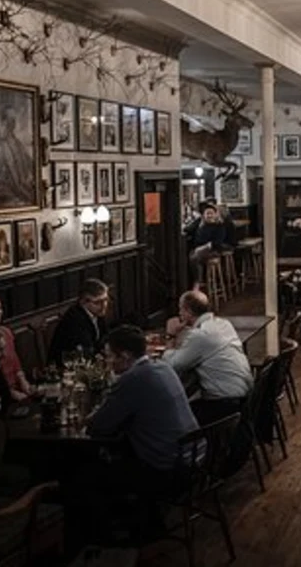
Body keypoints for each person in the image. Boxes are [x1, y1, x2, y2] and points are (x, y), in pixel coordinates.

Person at [85, 325, 199, 481]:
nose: (107, 362)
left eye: (109, 356)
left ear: (125, 356)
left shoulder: (133, 379)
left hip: (170, 467)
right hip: (195, 455)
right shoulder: (163, 367)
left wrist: (93, 414)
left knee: (92, 469)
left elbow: (97, 427)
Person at [163, 290, 254, 425]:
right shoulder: (223, 324)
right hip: (245, 399)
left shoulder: (201, 335)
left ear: (188, 311)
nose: (179, 313)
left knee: (172, 417)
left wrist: (170, 335)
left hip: (225, 405)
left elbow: (171, 366)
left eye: (180, 309)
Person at [48, 278, 110, 366]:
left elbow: (105, 338)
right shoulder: (74, 320)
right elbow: (85, 350)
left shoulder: (98, 312)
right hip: (65, 367)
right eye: (98, 302)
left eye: (106, 300)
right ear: (83, 302)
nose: (104, 305)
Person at [188, 203, 233, 288]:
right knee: (194, 256)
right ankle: (201, 281)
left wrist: (204, 248)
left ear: (215, 214)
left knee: (194, 257)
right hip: (199, 249)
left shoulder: (219, 225)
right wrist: (198, 222)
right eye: (207, 213)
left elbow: (217, 243)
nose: (209, 215)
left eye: (211, 213)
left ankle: (198, 282)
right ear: (203, 215)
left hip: (213, 250)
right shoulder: (200, 223)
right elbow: (187, 229)